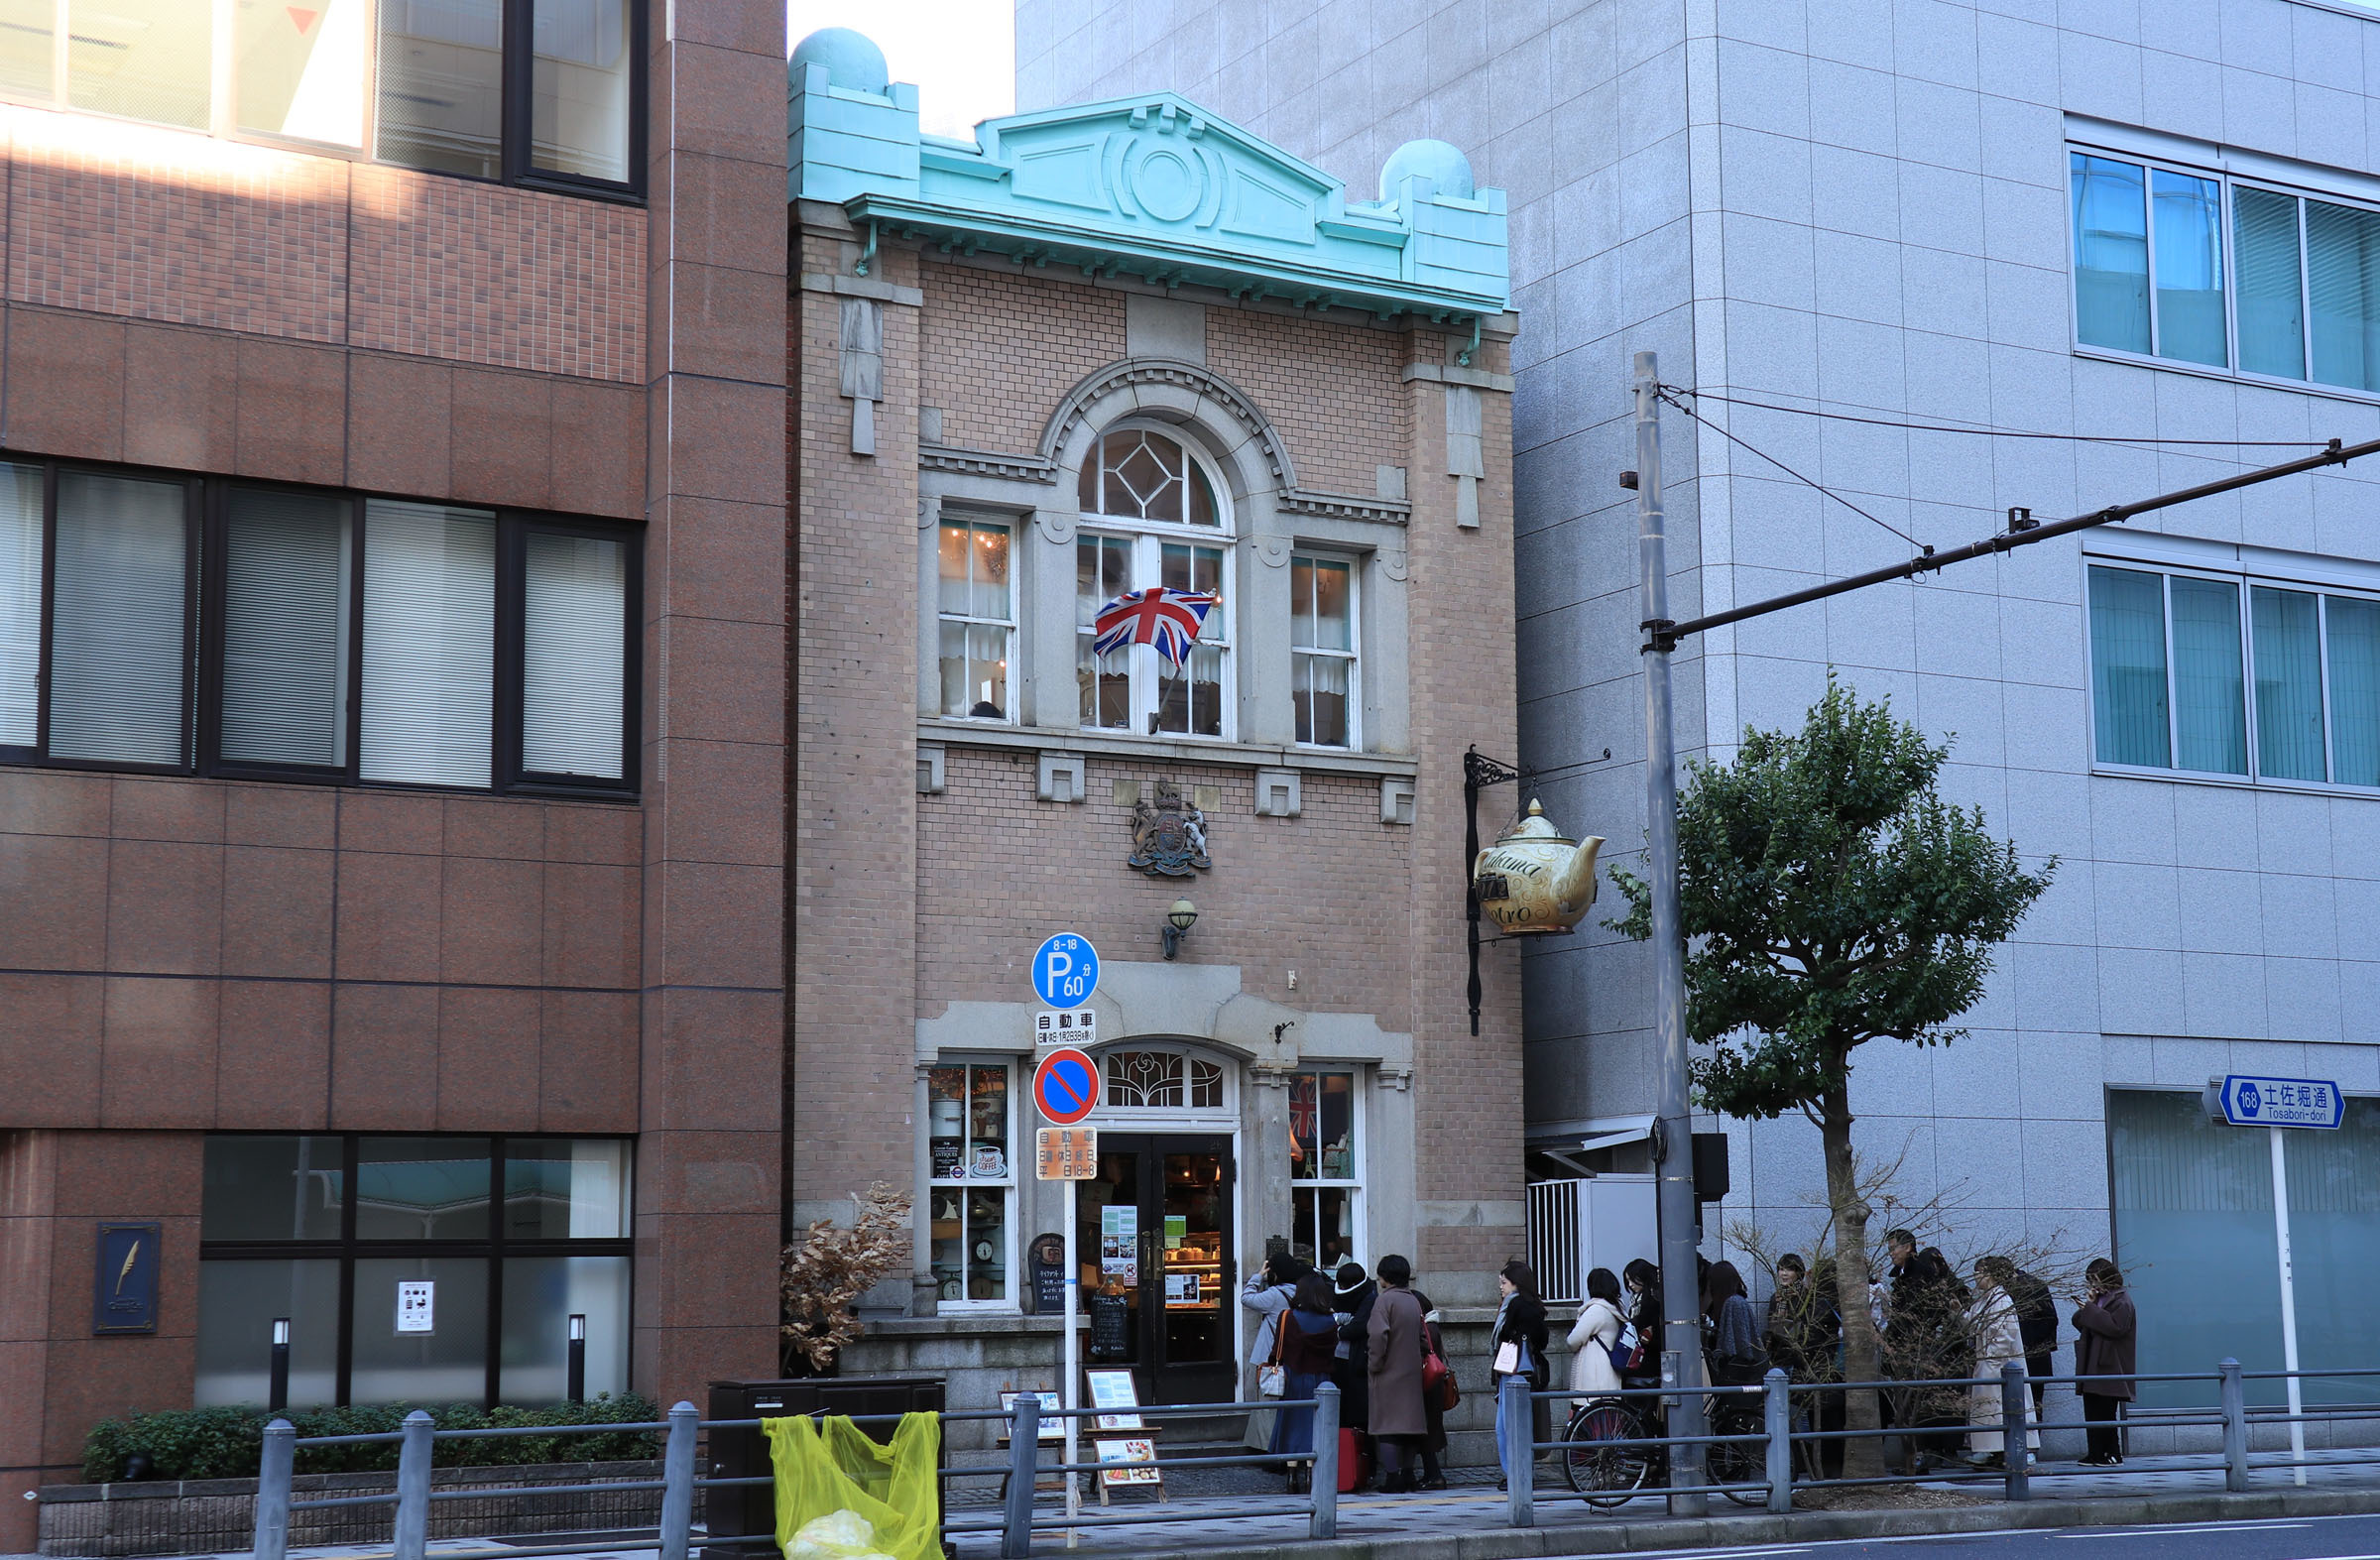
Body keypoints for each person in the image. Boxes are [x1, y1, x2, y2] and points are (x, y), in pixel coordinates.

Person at [1964, 1258, 2040, 1469]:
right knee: (1990, 1408)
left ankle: (2016, 1450)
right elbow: (1973, 1325)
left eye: (1979, 1272)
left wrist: (1993, 1359)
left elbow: (2005, 1334)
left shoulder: (2002, 1300)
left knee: (2003, 1406)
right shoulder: (1983, 1300)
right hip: (1988, 1361)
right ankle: (1991, 1450)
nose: (1976, 1277)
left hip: (2000, 1363)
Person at [1267, 1274, 1340, 1492]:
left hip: (1294, 1377)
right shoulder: (1330, 1320)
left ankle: (1292, 1475)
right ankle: (1310, 1474)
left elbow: (1277, 1349)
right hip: (1322, 1379)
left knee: (1292, 1424)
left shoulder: (1288, 1317)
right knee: (1315, 1425)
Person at [1366, 1254, 1431, 1493]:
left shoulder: (1384, 1301)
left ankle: (1393, 1478)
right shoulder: (1413, 1300)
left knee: (1387, 1429)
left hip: (1387, 1372)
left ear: (1386, 1277)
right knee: (1409, 1428)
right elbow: (1423, 1337)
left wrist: (1374, 1364)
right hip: (1411, 1372)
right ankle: (1408, 1474)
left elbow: (1378, 1336)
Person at [1489, 1259, 1550, 1491]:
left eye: (1504, 1282)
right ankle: (1515, 1471)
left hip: (1516, 1371)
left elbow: (1533, 1337)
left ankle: (1517, 1472)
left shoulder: (1519, 1306)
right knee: (1507, 1426)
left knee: (1511, 1427)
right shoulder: (1520, 1304)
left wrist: (1515, 1333)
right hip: (1513, 1370)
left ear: (1516, 1283)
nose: (1501, 1287)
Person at [1240, 1251, 1307, 1448]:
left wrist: (1257, 1276)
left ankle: (1269, 1448)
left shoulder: (1274, 1295)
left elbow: (1247, 1298)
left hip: (1270, 1357)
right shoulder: (1303, 1293)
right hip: (1295, 1357)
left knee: (1267, 1406)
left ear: (1275, 1273)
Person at [2073, 1259, 2136, 1466]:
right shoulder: (2101, 1298)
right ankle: (2096, 1452)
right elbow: (2083, 1323)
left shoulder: (2122, 1300)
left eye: (2096, 1280)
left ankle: (2112, 1453)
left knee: (2105, 1410)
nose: (2094, 1285)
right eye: (2090, 1280)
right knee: (2092, 1408)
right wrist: (2088, 1307)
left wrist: (2090, 1309)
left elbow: (2115, 1328)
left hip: (2110, 1363)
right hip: (2094, 1361)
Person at [1331, 1260, 1376, 1488]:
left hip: (1358, 1364)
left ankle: (1365, 1466)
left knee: (1360, 1417)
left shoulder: (1370, 1297)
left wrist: (1339, 1328)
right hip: (1343, 1362)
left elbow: (1358, 1326)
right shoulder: (1364, 1295)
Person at [1996, 1260, 2060, 1415]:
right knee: (2025, 1406)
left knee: (2032, 1404)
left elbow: (2050, 1319)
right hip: (2027, 1353)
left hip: (2032, 1354)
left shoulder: (2032, 1287)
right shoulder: (2010, 1288)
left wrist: (2027, 1343)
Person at [1408, 1279, 1454, 1489]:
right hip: (1431, 1386)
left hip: (1428, 1386)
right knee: (1427, 1432)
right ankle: (1431, 1475)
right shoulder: (1430, 1326)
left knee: (1427, 1432)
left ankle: (1435, 1476)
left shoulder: (1428, 1329)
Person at [1567, 1266, 1628, 1405]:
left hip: (1594, 1379)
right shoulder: (1616, 1308)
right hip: (1608, 1376)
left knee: (1593, 1416)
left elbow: (1572, 1341)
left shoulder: (1597, 1310)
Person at [1702, 1260, 1766, 1381]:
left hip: (1739, 1372)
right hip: (1739, 1370)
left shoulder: (1734, 1303)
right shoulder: (1733, 1302)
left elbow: (1739, 1344)